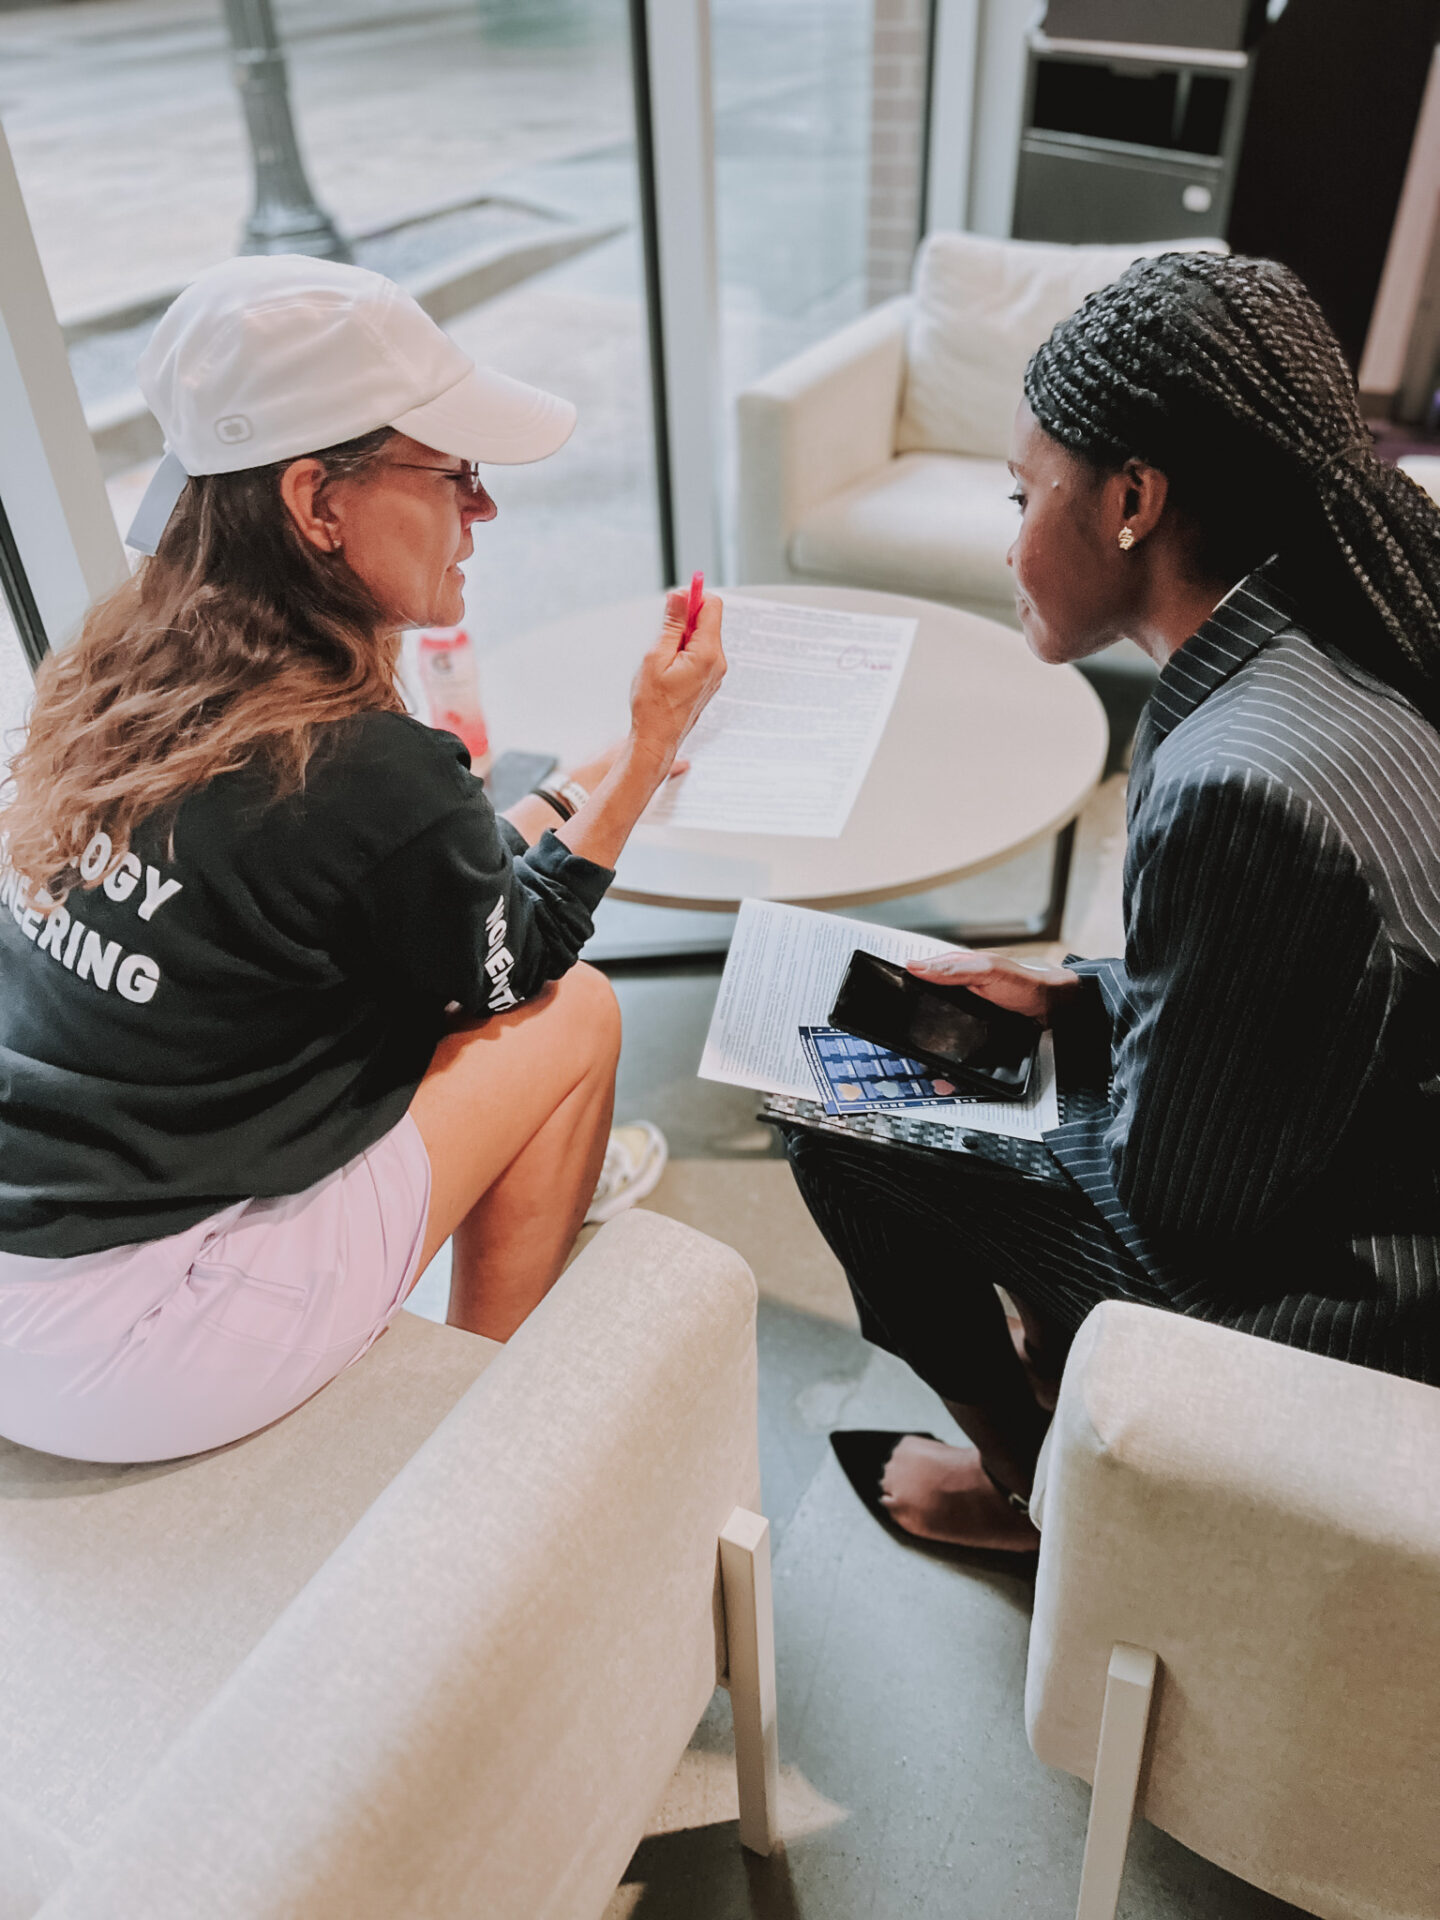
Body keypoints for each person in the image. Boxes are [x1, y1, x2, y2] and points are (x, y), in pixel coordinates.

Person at [0, 255, 725, 1465]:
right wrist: (645, 759)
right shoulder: (357, 762)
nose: (482, 512)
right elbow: (512, 959)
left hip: (24, 1253)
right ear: (314, 503)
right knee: (575, 1019)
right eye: (451, 475)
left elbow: (400, 886)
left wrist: (562, 792)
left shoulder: (125, 666)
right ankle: (487, 1445)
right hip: (125, 1345)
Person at [783, 251, 1440, 1555]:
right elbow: (1296, 989)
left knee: (829, 1079)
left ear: (1133, 499)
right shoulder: (1364, 621)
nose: (1008, 532)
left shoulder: (1243, 784)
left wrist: (996, 1062)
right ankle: (1050, 1377)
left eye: (1025, 493)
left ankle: (1034, 1485)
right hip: (1374, 1177)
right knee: (916, 1020)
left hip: (1333, 1308)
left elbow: (1186, 1201)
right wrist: (1070, 993)